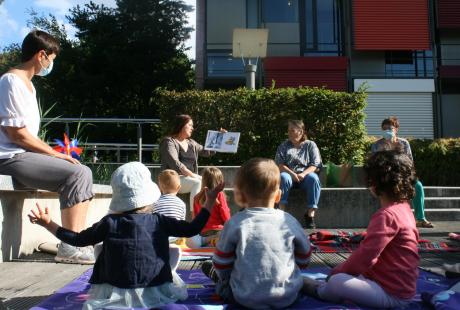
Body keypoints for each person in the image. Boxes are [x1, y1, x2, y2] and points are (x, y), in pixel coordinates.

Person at [28, 161, 225, 309]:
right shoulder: (159, 220)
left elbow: (78, 240)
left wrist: (49, 224)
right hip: (155, 286)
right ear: (149, 195)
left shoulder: (109, 222)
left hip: (115, 287)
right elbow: (192, 229)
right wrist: (209, 202)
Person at [0, 30, 95, 264]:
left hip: (23, 157)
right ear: (41, 55)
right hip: (10, 157)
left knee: (82, 172)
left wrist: (57, 156)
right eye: (51, 59)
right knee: (77, 172)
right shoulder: (10, 81)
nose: (51, 64)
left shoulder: (29, 87)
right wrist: (55, 154)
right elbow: (17, 134)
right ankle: (70, 247)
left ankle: (75, 242)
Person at [303, 150, 419, 308]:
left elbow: (365, 257)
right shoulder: (405, 208)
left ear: (374, 183)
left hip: (392, 295)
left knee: (338, 281)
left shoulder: (387, 215)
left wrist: (336, 273)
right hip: (401, 288)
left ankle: (321, 290)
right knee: (351, 276)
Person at [201, 158, 312, 309]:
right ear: (278, 195)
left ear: (239, 196)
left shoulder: (234, 223)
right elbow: (304, 258)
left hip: (244, 298)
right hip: (287, 296)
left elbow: (222, 264)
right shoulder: (289, 221)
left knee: (214, 271)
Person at [371, 116, 433, 228]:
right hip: (385, 176)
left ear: (396, 129)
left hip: (402, 175)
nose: (387, 131)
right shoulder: (377, 145)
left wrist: (409, 176)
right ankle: (391, 220)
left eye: (390, 128)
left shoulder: (404, 143)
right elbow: (375, 164)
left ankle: (420, 218)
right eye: (384, 129)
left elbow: (409, 162)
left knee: (418, 185)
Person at [160, 114, 216, 210]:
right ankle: (195, 214)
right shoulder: (169, 142)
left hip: (189, 178)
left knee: (207, 181)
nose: (192, 128)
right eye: (190, 125)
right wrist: (194, 175)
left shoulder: (191, 143)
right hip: (173, 179)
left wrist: (218, 137)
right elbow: (176, 164)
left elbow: (207, 151)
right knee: (198, 182)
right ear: (181, 125)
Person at [275, 119, 322, 229]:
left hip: (305, 176)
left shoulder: (310, 145)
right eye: (288, 130)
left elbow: (315, 164)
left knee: (313, 178)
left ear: (301, 131)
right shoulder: (284, 145)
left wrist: (303, 174)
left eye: (292, 130)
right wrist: (292, 174)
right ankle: (281, 213)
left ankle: (310, 215)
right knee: (284, 177)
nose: (289, 133)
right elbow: (280, 164)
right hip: (289, 175)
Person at [187, 166, 230, 248]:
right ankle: (211, 243)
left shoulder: (197, 197)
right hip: (217, 232)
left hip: (202, 234)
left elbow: (195, 219)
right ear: (220, 181)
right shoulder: (219, 195)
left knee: (191, 239)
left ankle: (204, 243)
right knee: (228, 236)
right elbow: (226, 216)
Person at [152, 169, 187, 271]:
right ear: (179, 188)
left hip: (158, 239)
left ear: (160, 187)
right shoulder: (181, 204)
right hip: (175, 239)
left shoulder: (155, 202)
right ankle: (172, 269)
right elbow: (182, 224)